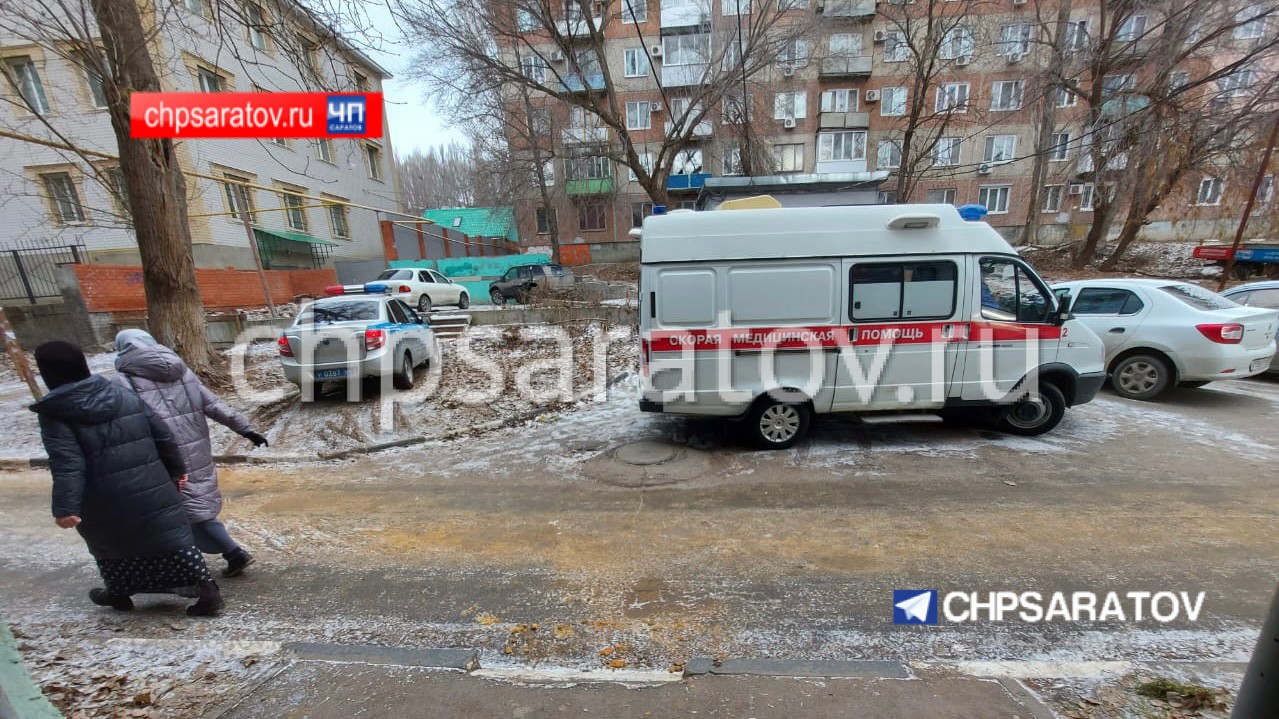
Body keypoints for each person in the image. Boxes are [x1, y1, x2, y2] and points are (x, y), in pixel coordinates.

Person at [30, 341, 224, 616]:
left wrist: (66, 508)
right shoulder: (121, 392)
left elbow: (67, 462)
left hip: (102, 497)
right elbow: (163, 435)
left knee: (112, 545)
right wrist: (177, 471)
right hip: (153, 485)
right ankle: (206, 590)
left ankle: (119, 591)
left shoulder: (57, 412)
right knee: (171, 539)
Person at [114, 330, 268, 578]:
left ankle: (228, 554)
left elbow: (124, 425)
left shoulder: (124, 381)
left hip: (160, 457)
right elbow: (213, 405)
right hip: (197, 451)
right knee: (193, 505)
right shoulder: (182, 370)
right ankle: (219, 555)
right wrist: (246, 429)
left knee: (185, 510)